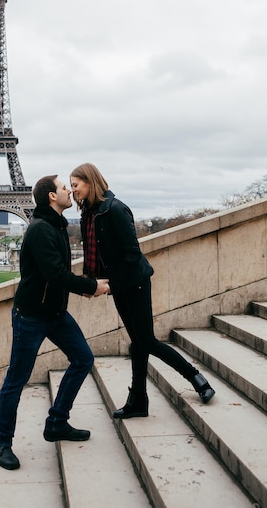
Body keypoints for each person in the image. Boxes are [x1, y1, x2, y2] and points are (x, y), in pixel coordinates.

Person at [70, 162, 215, 420]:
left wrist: (108, 283)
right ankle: (138, 400)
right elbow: (97, 256)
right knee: (138, 344)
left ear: (90, 182)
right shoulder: (90, 213)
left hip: (134, 283)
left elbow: (131, 253)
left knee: (145, 341)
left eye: (76, 185)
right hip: (120, 285)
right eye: (70, 186)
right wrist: (91, 282)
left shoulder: (115, 210)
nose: (73, 191)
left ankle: (195, 377)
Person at [0, 175, 109, 470]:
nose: (69, 190)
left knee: (83, 359)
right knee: (16, 380)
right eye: (63, 188)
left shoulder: (56, 225)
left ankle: (57, 422)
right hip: (32, 316)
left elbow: (58, 275)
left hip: (54, 313)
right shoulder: (42, 229)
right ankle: (2, 443)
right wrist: (91, 286)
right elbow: (56, 276)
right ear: (51, 198)